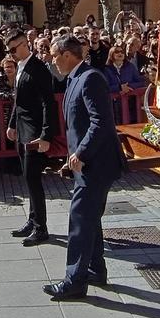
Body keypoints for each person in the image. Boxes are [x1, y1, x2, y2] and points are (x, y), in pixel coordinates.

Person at [42, 34, 127, 300]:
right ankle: (95, 269)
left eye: (55, 56)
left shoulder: (90, 78)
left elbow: (100, 121)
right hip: (85, 162)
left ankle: (74, 280)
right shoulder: (74, 78)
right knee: (90, 217)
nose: (52, 61)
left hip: (96, 162)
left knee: (80, 218)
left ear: (68, 55)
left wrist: (81, 152)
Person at [6, 29, 60, 246]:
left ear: (24, 44)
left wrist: (46, 135)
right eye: (7, 50)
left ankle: (41, 228)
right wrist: (11, 124)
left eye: (12, 49)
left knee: (33, 178)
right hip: (22, 130)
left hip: (35, 133)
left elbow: (49, 102)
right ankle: (32, 220)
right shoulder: (20, 67)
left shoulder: (38, 69)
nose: (10, 54)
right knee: (28, 177)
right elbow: (18, 100)